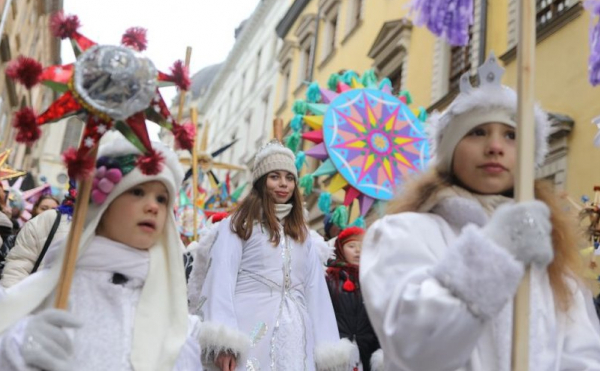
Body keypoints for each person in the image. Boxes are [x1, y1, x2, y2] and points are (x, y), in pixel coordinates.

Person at [360, 53, 600, 370]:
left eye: (511, 135)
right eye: (477, 132)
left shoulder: (545, 250)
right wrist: (496, 249)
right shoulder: (401, 232)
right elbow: (413, 347)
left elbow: (581, 352)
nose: (495, 147)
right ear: (450, 150)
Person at [0, 137, 202, 370]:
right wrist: (16, 345)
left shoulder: (168, 300)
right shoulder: (57, 285)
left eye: (161, 198)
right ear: (104, 205)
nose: (153, 206)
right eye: (137, 192)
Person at [196, 140, 357, 371]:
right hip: (250, 328)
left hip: (297, 336)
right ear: (262, 181)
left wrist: (328, 348)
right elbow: (220, 280)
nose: (283, 184)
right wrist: (225, 343)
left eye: (289, 178)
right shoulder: (239, 224)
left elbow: (316, 293)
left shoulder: (302, 234)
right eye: (275, 176)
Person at [325, 227, 382, 371]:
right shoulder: (329, 278)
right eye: (351, 246)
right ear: (340, 249)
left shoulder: (375, 279)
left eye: (362, 247)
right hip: (337, 350)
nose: (358, 251)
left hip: (368, 348)